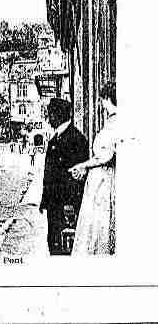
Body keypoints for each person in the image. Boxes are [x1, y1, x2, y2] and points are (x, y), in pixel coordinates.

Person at [69, 81, 117, 255]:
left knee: (100, 224)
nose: (101, 105)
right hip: (99, 180)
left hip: (104, 182)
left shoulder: (115, 123)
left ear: (107, 98)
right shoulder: (111, 122)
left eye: (102, 100)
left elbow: (105, 156)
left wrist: (83, 165)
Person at [40, 98, 89, 255]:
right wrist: (44, 200)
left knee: (65, 246)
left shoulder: (76, 139)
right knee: (54, 242)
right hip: (54, 204)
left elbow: (76, 176)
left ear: (57, 115)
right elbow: (49, 174)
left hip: (66, 205)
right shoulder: (56, 138)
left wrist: (70, 204)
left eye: (50, 114)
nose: (48, 118)